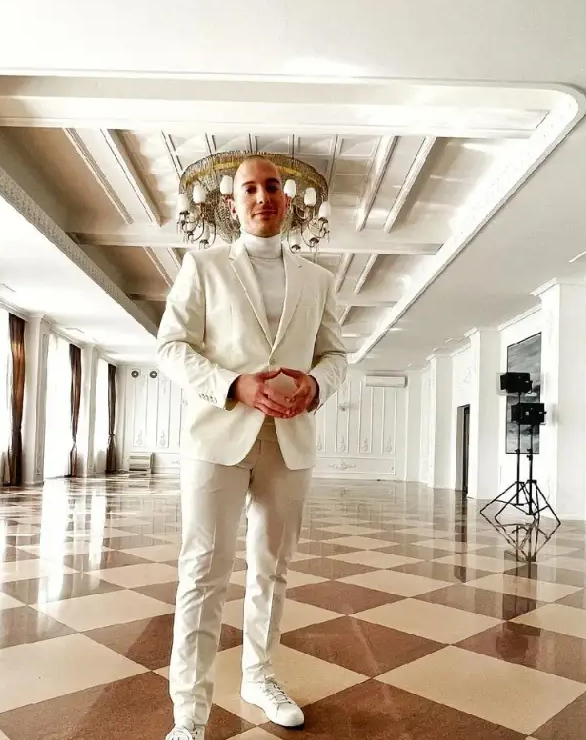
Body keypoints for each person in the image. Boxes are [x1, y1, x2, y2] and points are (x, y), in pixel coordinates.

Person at [157, 155, 347, 740]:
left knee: (272, 570)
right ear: (231, 202)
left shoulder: (318, 279)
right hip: (216, 437)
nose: (263, 196)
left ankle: (259, 677)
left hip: (290, 441)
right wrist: (232, 384)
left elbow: (335, 355)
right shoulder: (204, 265)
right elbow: (171, 347)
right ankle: (189, 716)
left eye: (273, 187)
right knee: (202, 573)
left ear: (288, 199)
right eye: (250, 188)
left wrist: (317, 384)